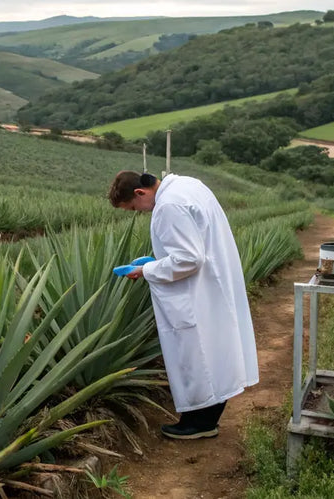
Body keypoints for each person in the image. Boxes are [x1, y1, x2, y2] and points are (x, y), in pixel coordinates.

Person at [108, 170, 259, 439]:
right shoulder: (189, 185)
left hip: (196, 292)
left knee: (198, 355)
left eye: (133, 207)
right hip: (211, 284)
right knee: (213, 352)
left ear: (140, 193)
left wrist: (147, 271)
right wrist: (154, 261)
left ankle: (199, 424)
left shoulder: (168, 206)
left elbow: (188, 259)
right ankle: (202, 419)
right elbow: (192, 243)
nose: (138, 212)